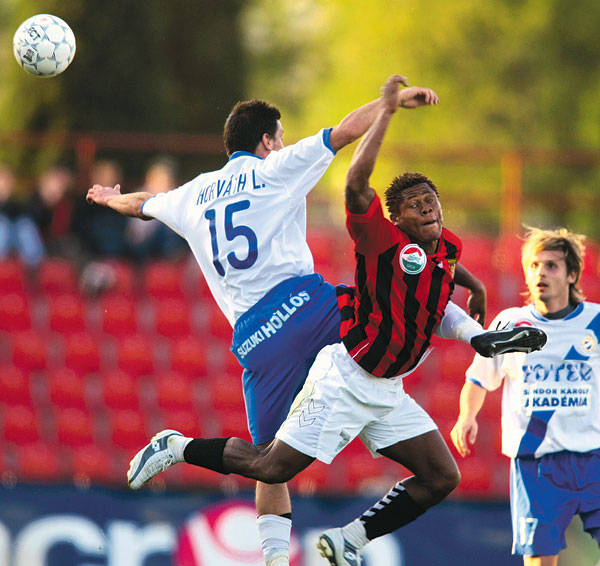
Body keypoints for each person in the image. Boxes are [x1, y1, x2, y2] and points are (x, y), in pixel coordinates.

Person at [122, 76, 547, 566]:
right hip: (326, 343)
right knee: (270, 463)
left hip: (339, 368)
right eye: (416, 205)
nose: (428, 208)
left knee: (440, 476)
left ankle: (348, 541)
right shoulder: (365, 229)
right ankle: (179, 446)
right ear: (267, 140)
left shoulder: (194, 192)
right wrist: (387, 108)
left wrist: (479, 310)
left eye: (432, 202)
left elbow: (143, 205)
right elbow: (349, 155)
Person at [450, 227, 599, 566]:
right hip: (536, 460)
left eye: (551, 266)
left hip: (594, 455)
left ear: (572, 274)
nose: (541, 273)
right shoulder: (511, 322)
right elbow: (478, 378)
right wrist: (466, 416)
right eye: (534, 265)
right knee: (539, 558)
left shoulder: (597, 321)